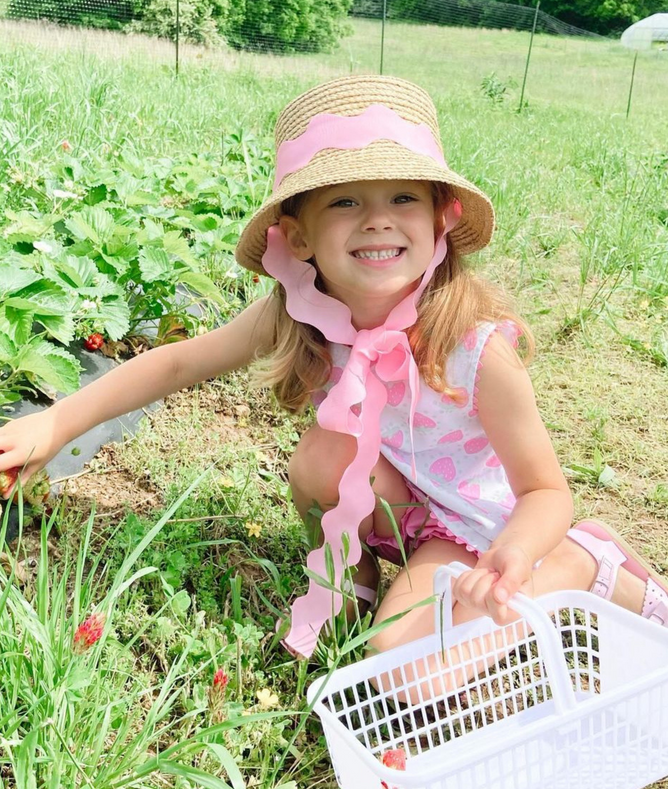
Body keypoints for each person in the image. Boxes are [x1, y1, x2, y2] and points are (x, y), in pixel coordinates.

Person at [1, 75, 666, 668]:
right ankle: (354, 586)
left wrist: (515, 553)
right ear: (298, 236)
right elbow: (179, 360)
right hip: (409, 509)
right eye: (345, 201)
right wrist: (56, 423)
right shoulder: (302, 314)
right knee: (325, 457)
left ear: (440, 218)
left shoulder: (474, 348)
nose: (377, 220)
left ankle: (578, 564)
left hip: (483, 530)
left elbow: (546, 491)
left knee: (403, 669)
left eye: (402, 197)